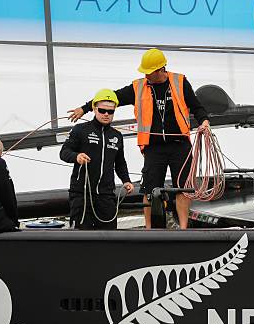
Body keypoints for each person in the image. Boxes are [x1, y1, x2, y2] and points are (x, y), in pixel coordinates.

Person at [68, 49, 210, 230]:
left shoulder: (180, 82)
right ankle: (149, 229)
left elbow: (197, 107)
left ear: (160, 69)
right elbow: (111, 97)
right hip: (153, 147)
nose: (145, 74)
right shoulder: (139, 86)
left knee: (183, 187)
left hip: (179, 144)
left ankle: (183, 229)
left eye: (148, 71)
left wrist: (204, 122)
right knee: (149, 189)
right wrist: (85, 108)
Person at [61, 89, 134, 230]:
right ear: (94, 109)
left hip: (106, 195)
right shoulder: (80, 130)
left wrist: (126, 180)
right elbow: (64, 152)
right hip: (82, 195)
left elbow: (120, 162)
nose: (106, 114)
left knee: (109, 238)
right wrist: (76, 157)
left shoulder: (117, 136)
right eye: (102, 110)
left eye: (110, 112)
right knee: (82, 238)